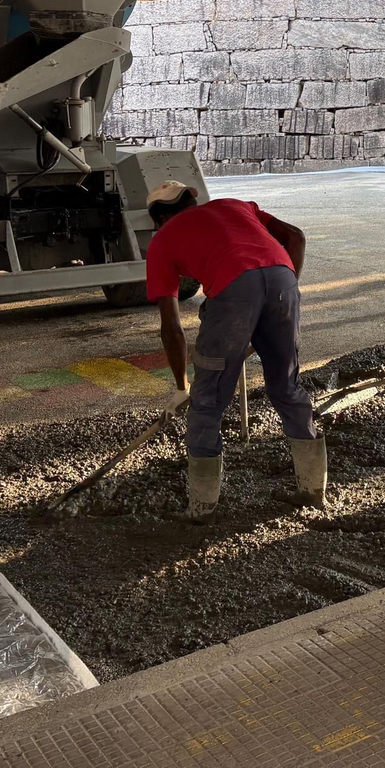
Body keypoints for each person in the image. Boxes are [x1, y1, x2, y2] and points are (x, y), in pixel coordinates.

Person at [144, 180, 325, 521]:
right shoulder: (235, 206)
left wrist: (181, 386)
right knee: (287, 387)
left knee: (207, 400)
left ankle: (202, 509)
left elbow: (171, 326)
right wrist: (278, 300)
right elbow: (296, 237)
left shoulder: (163, 240)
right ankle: (313, 491)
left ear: (159, 219)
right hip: (283, 280)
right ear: (191, 202)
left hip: (233, 289)